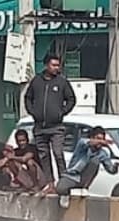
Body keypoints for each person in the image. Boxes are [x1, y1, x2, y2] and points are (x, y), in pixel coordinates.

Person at [25, 52, 76, 181]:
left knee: (58, 154)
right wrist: (33, 112)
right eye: (53, 65)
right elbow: (28, 98)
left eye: (58, 65)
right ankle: (50, 183)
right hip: (39, 126)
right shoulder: (36, 81)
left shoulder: (62, 82)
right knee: (44, 156)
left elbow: (71, 99)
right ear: (46, 65)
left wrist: (62, 112)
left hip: (56, 126)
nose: (56, 68)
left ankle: (64, 182)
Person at [45, 125, 117, 196]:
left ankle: (84, 188)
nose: (100, 142)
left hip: (84, 178)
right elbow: (89, 142)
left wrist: (116, 165)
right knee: (60, 189)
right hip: (71, 175)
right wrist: (101, 142)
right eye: (98, 139)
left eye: (102, 139)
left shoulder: (102, 153)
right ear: (92, 137)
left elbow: (111, 170)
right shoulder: (82, 143)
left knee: (95, 161)